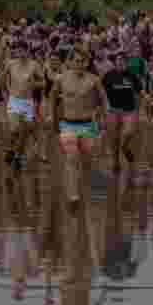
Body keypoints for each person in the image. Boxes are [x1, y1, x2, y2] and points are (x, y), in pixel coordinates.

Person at [51, 48, 108, 202]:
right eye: (76, 61)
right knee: (71, 158)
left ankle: (86, 187)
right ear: (70, 62)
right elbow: (53, 97)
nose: (79, 64)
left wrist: (103, 118)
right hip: (68, 124)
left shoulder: (94, 80)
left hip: (88, 124)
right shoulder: (61, 78)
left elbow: (104, 100)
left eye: (82, 61)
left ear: (87, 62)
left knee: (88, 160)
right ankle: (73, 193)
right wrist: (53, 117)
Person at [0, 41, 45, 170]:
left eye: (24, 50)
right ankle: (11, 149)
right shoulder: (10, 64)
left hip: (28, 102)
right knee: (14, 129)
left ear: (28, 51)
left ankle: (18, 157)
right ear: (16, 52)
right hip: (14, 100)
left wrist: (35, 84)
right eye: (19, 50)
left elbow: (43, 82)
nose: (21, 53)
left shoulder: (34, 65)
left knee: (25, 132)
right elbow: (1, 76)